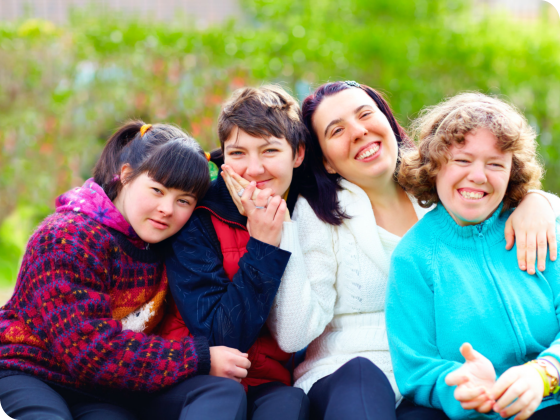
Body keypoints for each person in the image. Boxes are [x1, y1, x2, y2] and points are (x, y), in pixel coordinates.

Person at [262, 81, 560, 420]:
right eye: (337, 130)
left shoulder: (443, 193)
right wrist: (281, 232)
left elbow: (494, 179)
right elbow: (293, 333)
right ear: (326, 161)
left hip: (451, 377)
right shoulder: (321, 214)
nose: (358, 131)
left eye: (365, 114)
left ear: (389, 124)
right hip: (365, 372)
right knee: (367, 383)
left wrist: (540, 201)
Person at [0, 121, 249, 420]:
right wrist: (197, 357)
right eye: (157, 190)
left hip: (102, 390)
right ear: (127, 176)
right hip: (27, 372)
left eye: (183, 201)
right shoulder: (67, 238)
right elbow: (89, 352)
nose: (167, 209)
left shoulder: (164, 245)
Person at [387, 93, 560, 420]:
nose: (478, 176)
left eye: (495, 164)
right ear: (434, 165)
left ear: (512, 172)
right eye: (462, 161)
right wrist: (459, 389)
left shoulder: (541, 228)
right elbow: (416, 367)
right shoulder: (413, 257)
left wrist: (544, 373)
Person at [158, 86, 310, 420]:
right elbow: (218, 338)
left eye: (269, 151)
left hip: (271, 379)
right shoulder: (197, 216)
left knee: (289, 404)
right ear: (223, 155)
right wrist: (263, 246)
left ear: (297, 154)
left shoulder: (311, 209)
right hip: (199, 376)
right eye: (238, 153)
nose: (254, 169)